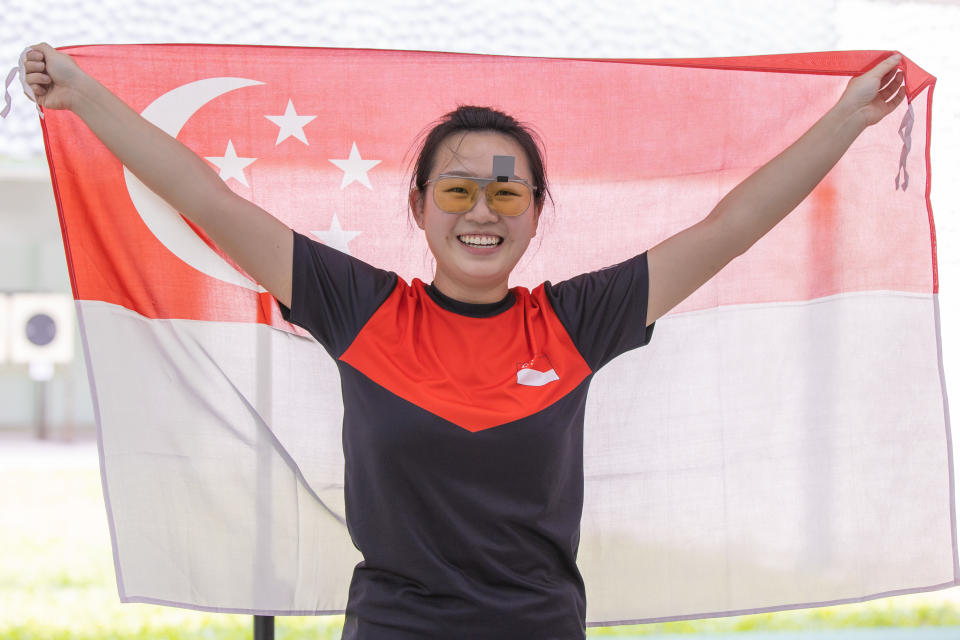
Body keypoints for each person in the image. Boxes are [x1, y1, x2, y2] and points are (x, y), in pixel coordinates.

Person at [23, 43, 906, 639]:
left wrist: (848, 119)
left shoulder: (576, 321)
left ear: (532, 215)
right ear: (417, 207)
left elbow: (733, 225)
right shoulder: (356, 305)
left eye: (507, 193)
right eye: (456, 192)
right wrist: (83, 97)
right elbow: (210, 202)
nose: (481, 212)